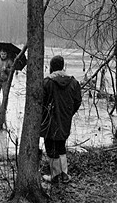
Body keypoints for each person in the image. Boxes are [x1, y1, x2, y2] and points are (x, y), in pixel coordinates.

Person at [40, 55, 82, 183]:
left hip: (49, 120)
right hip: (65, 119)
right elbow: (78, 101)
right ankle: (64, 174)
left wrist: (44, 116)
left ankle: (55, 175)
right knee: (61, 146)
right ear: (63, 66)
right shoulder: (73, 82)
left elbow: (40, 103)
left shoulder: (47, 82)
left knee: (50, 147)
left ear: (52, 67)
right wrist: (69, 113)